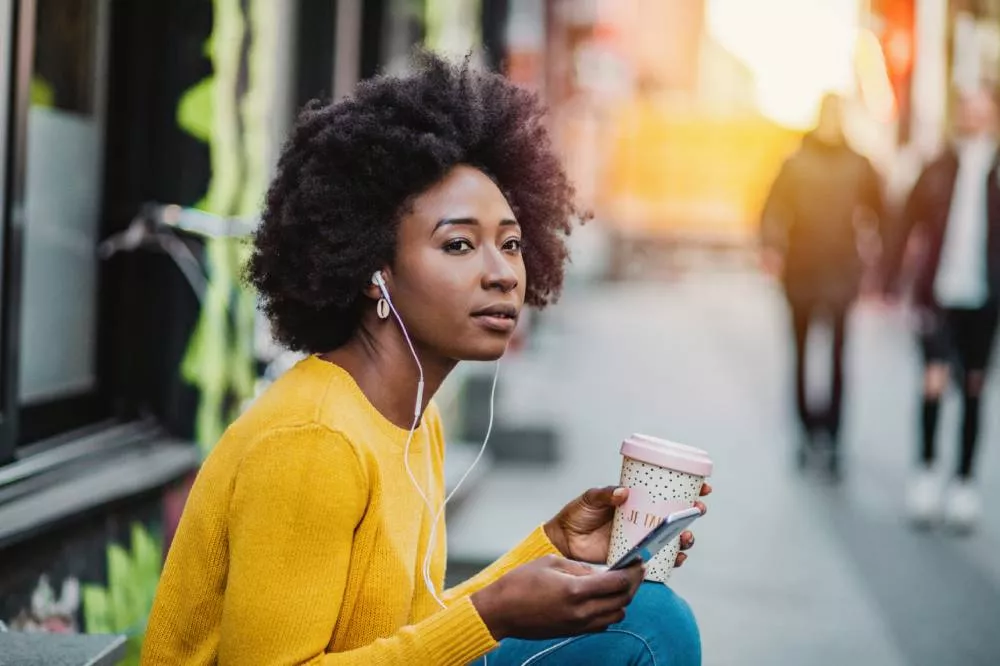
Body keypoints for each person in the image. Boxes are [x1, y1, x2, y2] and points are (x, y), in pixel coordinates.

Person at [141, 53, 710, 665]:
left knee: (647, 613)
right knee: (650, 628)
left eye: (512, 244)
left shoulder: (415, 418)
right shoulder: (313, 442)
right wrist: (493, 614)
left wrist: (551, 545)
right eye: (459, 244)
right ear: (372, 267)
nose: (501, 275)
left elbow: (411, 637)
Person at [885, 86, 1000, 531]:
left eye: (982, 111)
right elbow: (905, 218)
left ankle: (964, 482)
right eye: (967, 110)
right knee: (933, 381)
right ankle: (927, 472)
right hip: (938, 294)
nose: (973, 118)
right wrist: (893, 277)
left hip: (985, 298)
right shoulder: (937, 166)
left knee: (973, 386)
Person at [761, 93, 886, 477]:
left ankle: (832, 435)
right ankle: (804, 430)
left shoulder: (859, 164)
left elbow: (880, 212)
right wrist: (771, 247)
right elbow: (772, 209)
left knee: (836, 357)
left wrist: (875, 254)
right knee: (800, 355)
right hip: (801, 270)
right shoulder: (796, 162)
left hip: (841, 272)